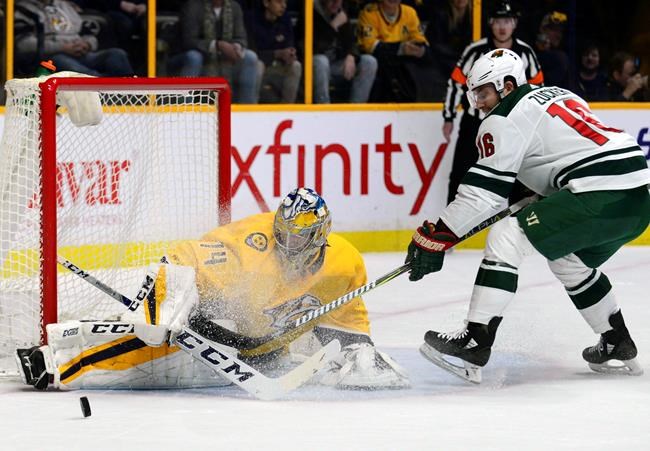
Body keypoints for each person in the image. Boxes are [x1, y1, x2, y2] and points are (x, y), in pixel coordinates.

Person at [405, 48, 650, 383]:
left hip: (598, 192)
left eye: (483, 92)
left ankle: (475, 342)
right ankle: (616, 340)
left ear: (507, 85)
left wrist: (437, 236)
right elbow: (568, 152)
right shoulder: (560, 94)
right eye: (475, 93)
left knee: (507, 236)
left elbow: (483, 194)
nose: (478, 101)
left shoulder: (502, 118)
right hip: (639, 197)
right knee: (569, 261)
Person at [16, 188, 410, 391]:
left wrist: (359, 349)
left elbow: (347, 317)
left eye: (298, 238)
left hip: (266, 353)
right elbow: (184, 256)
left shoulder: (346, 262)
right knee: (151, 337)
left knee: (161, 371)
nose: (287, 245)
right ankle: (54, 362)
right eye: (282, 235)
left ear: (321, 235)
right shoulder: (251, 244)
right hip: (213, 324)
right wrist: (165, 301)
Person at [442, 0, 543, 206]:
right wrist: (448, 117)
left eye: (507, 21)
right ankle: (448, 229)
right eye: (498, 21)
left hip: (512, 127)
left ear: (514, 23)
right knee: (461, 173)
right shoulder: (475, 50)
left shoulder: (526, 52)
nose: (502, 26)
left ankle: (517, 225)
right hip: (474, 124)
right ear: (490, 23)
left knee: (518, 176)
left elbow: (537, 89)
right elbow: (456, 82)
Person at [166, 0, 260, 104]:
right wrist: (217, 45)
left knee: (250, 57)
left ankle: (246, 109)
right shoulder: (193, 6)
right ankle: (184, 106)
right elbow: (189, 41)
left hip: (224, 59)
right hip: (194, 59)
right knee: (194, 57)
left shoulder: (234, 7)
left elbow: (241, 37)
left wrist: (236, 47)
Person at [14, 0, 134, 77]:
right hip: (50, 58)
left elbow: (88, 34)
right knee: (63, 62)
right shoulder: (23, 9)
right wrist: (63, 47)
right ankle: (101, 87)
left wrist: (87, 44)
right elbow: (23, 44)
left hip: (81, 53)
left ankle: (130, 93)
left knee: (117, 54)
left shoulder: (64, 6)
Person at [357, 0, 430, 102]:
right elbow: (370, 47)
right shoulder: (369, 13)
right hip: (381, 66)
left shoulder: (410, 12)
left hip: (403, 65)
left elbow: (420, 40)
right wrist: (401, 48)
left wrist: (420, 50)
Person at [309, 0, 377, 103]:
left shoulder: (340, 11)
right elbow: (314, 48)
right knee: (321, 61)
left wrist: (351, 55)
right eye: (333, 0)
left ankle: (356, 110)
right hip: (315, 68)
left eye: (339, 0)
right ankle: (323, 109)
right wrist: (333, 26)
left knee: (369, 61)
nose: (336, 3)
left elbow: (352, 41)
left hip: (338, 66)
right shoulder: (310, 12)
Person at [248, 0, 302, 103]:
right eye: (279, 2)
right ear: (266, 3)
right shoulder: (252, 19)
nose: (283, 6)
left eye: (285, 2)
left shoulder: (285, 19)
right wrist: (277, 53)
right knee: (257, 65)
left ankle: (287, 109)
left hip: (278, 66)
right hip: (261, 65)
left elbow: (290, 44)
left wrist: (291, 53)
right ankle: (251, 107)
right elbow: (251, 53)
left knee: (296, 66)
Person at [423, 0, 472, 101]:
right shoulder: (440, 15)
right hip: (444, 61)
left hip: (463, 59)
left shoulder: (477, 16)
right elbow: (436, 45)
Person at [534, 11, 571, 89]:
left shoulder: (564, 53)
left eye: (560, 31)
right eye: (554, 30)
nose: (558, 35)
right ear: (542, 29)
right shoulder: (528, 51)